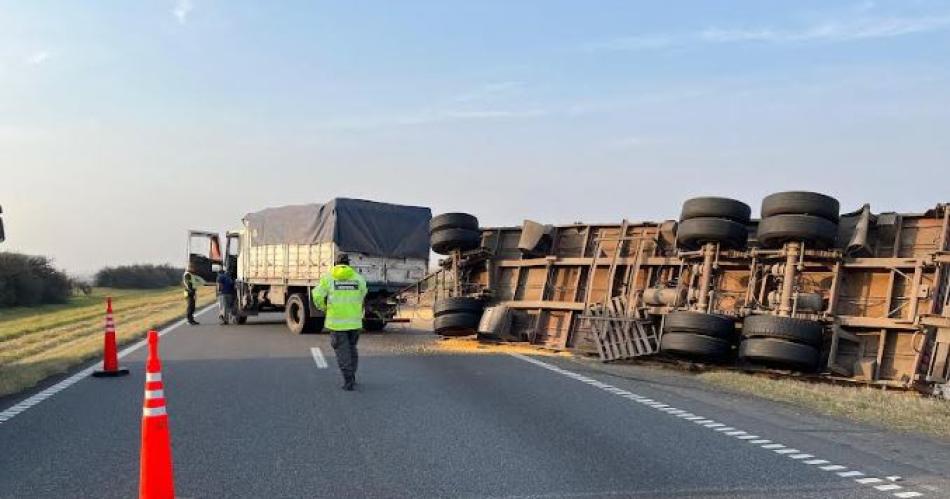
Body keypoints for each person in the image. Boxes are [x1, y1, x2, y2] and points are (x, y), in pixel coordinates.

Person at [312, 254, 367, 391]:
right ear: (348, 264)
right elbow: (363, 293)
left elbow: (317, 295)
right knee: (351, 349)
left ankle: (348, 380)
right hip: (354, 323)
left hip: (337, 323)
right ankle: (352, 375)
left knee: (343, 352)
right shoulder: (358, 278)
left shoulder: (328, 278)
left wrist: (323, 307)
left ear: (335, 263)